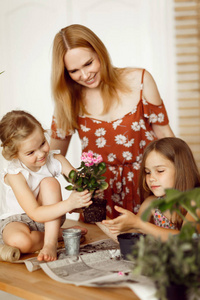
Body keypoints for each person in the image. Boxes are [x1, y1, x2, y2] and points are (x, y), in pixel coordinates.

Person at [50, 24, 175, 219]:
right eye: (74, 71)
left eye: (88, 63)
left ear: (100, 53)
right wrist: (79, 184)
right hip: (100, 197)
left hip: (148, 188)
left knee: (151, 245)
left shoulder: (140, 80)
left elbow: (166, 137)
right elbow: (52, 156)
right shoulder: (67, 100)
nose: (84, 75)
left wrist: (185, 184)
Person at [0, 110, 92, 261]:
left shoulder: (56, 160)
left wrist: (83, 192)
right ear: (15, 155)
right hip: (18, 221)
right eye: (30, 153)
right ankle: (59, 234)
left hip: (50, 219)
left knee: (49, 183)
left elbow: (80, 181)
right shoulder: (14, 174)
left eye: (42, 143)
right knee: (19, 241)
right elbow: (34, 213)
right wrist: (69, 204)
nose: (41, 154)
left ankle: (50, 243)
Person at [102, 137, 200, 240]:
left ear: (182, 170)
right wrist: (93, 209)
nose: (151, 178)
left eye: (160, 170)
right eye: (148, 172)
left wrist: (138, 224)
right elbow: (125, 239)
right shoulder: (151, 203)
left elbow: (186, 240)